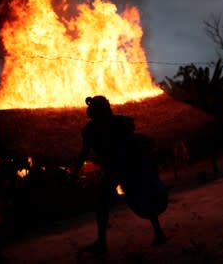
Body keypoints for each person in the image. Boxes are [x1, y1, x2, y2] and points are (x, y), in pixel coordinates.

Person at [71, 95, 167, 255]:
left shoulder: (114, 124)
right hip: (117, 168)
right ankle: (103, 242)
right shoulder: (94, 129)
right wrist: (75, 173)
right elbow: (84, 152)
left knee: (141, 196)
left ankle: (157, 232)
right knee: (104, 201)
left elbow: (131, 144)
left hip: (127, 166)